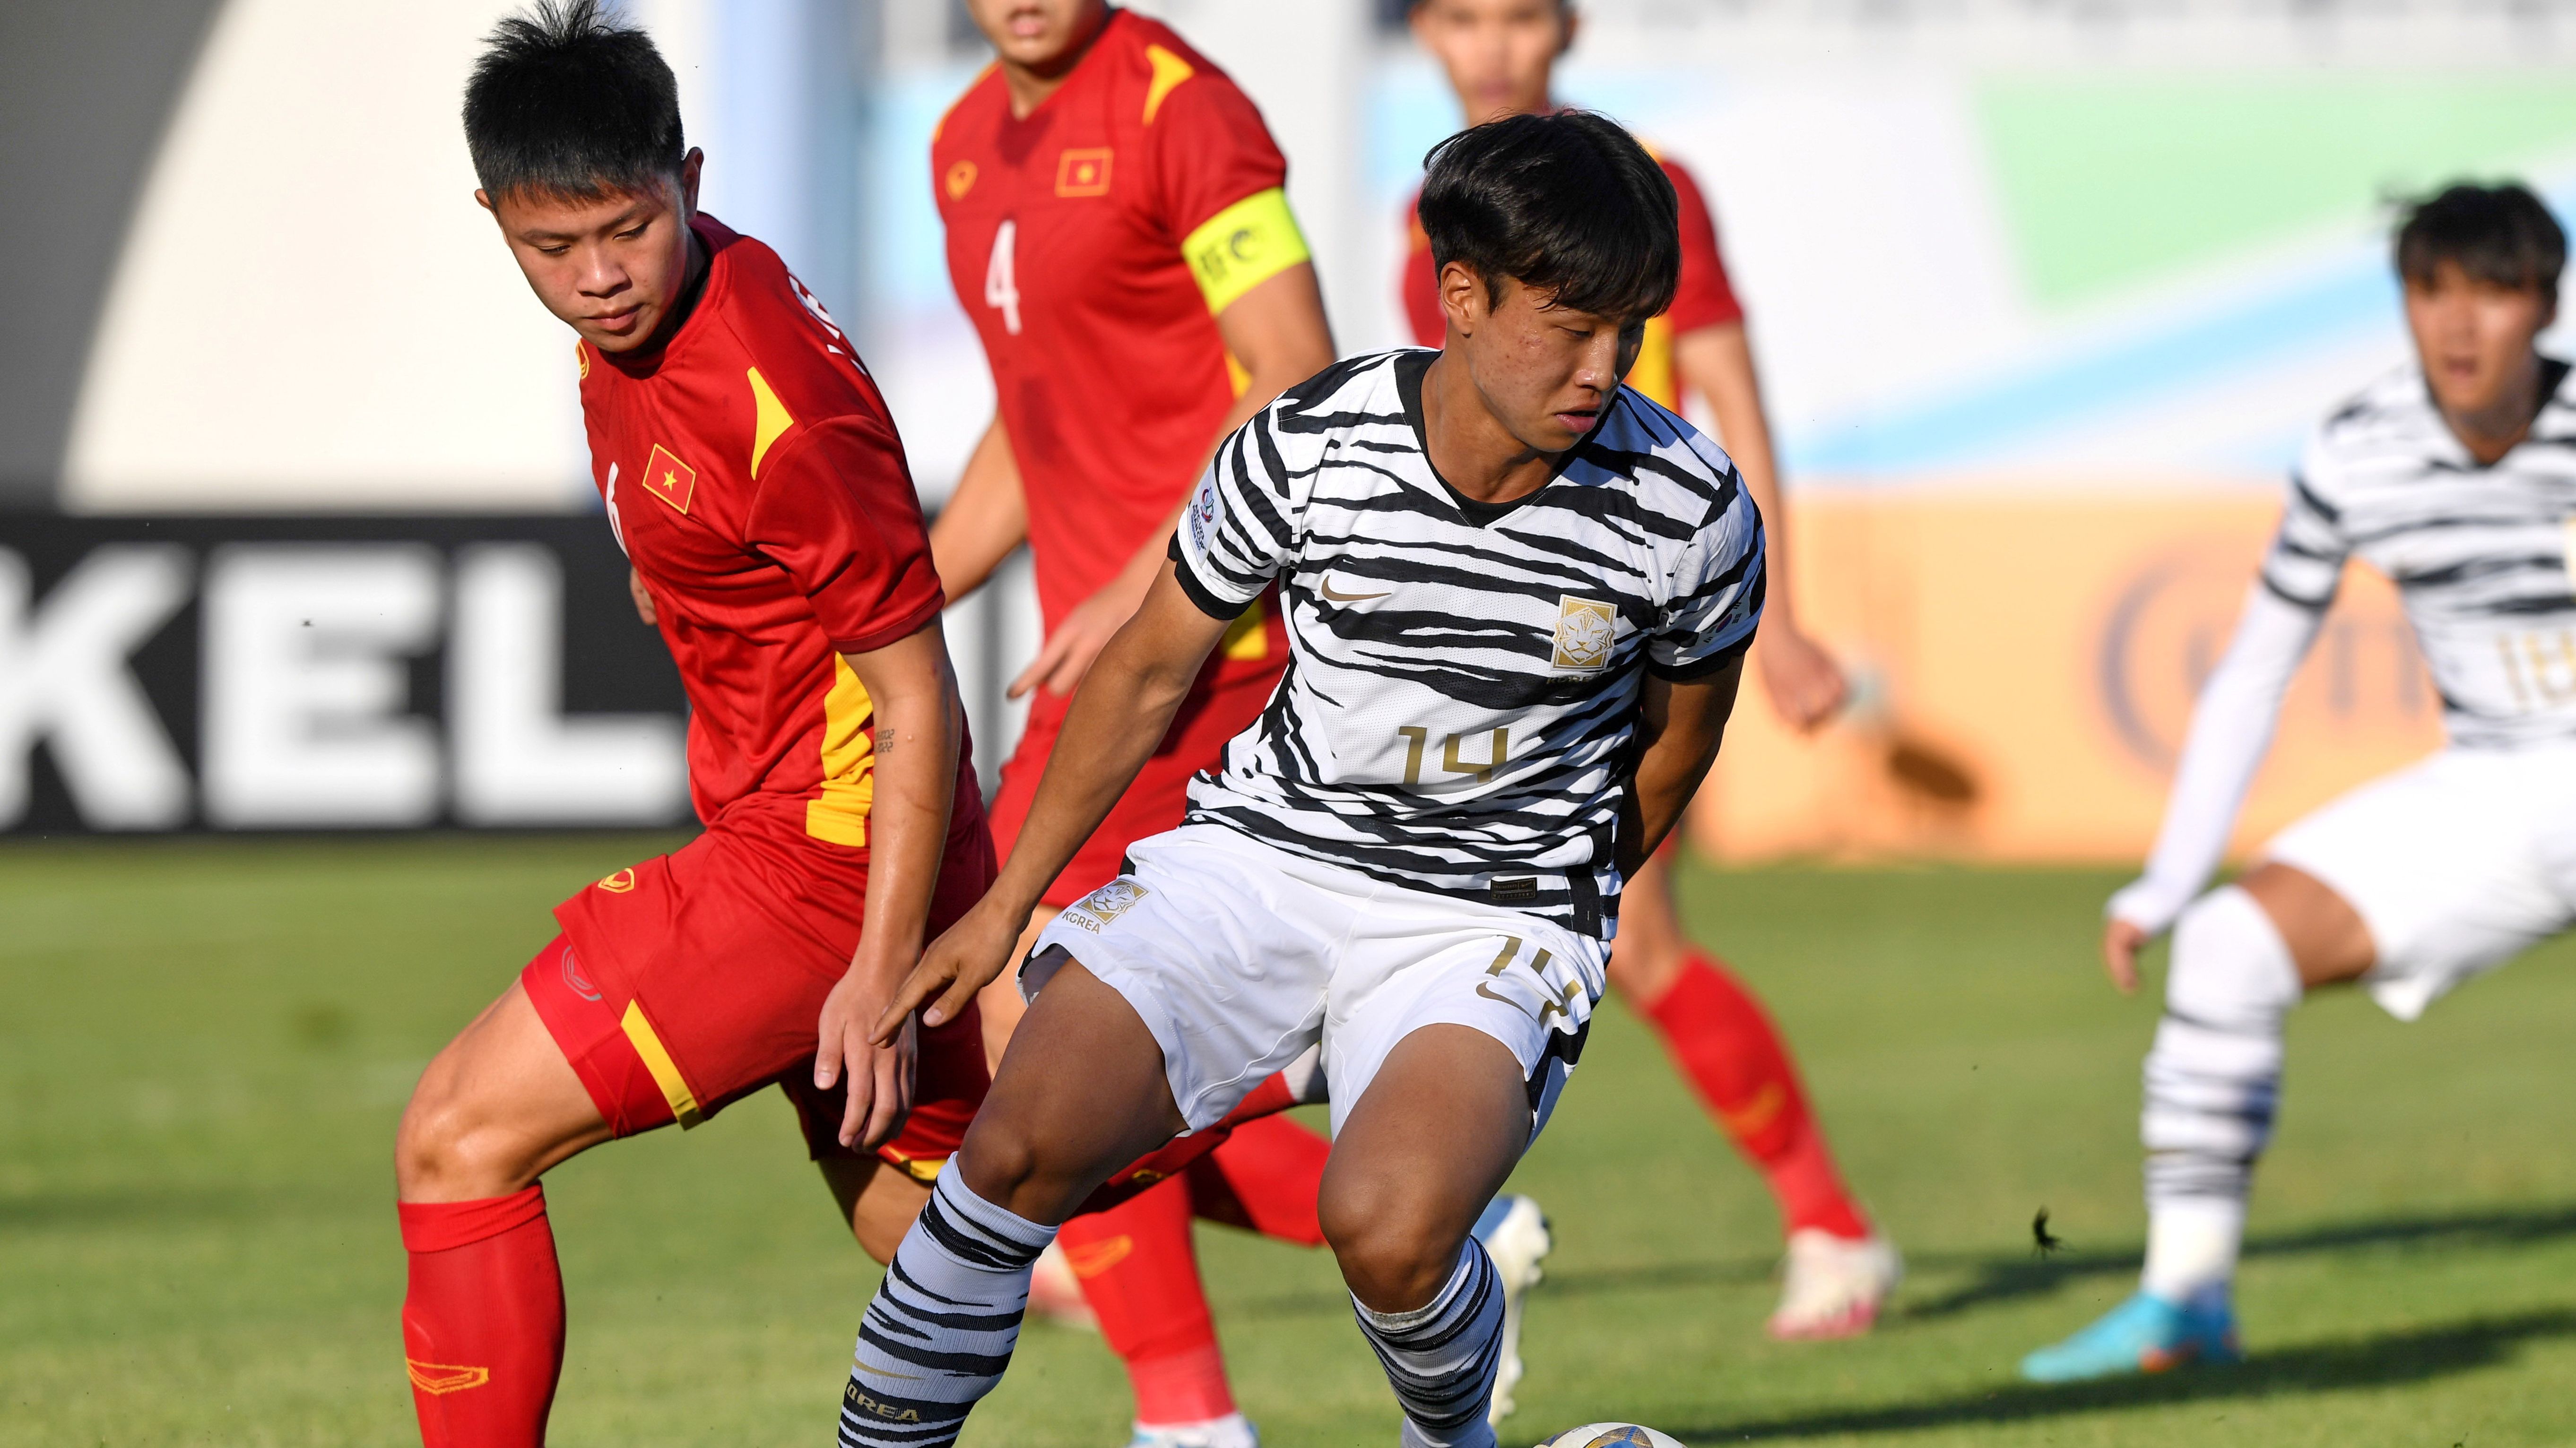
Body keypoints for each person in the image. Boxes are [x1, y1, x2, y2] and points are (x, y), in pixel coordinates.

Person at [394, 9, 1296, 1443]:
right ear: (497, 219)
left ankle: (1251, 1119)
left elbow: (916, 692)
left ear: (686, 176)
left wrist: (877, 972)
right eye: (550, 251)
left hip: (820, 854)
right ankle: (1291, 1069)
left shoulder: (777, 401)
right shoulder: (655, 316)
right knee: (925, 1219)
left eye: (627, 231)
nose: (598, 278)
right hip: (826, 832)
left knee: (455, 1137)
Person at [833, 109, 1763, 1448]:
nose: (1602, 368)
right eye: (1569, 325)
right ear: (1461, 295)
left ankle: (1452, 1439)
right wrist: (1000, 908)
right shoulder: (1307, 444)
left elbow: (1680, 741)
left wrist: (1562, 894)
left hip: (1487, 918)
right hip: (1262, 868)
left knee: (1380, 1228)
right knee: (1013, 1148)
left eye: (1628, 329)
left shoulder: (1687, 510)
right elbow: (1146, 675)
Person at [927, 4, 1550, 1441]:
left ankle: (1195, 1413)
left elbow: (1293, 370)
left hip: (1219, 643)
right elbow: (1038, 421)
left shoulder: (1180, 109)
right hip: (1105, 663)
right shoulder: (963, 146)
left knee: (1045, 1015)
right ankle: (1432, 1207)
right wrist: (878, 608)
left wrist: (1152, 572)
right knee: (1050, 1038)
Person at [2022, 181, 2576, 1382]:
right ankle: (2184, 1305)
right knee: (2227, 945)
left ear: (2543, 302)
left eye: (2492, 290)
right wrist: (2168, 877)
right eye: (2433, 291)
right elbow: (2257, 670)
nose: (2460, 323)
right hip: (2498, 787)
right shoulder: (2358, 449)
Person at [1404, 0, 1899, 1339]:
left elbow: (1736, 394)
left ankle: (1826, 1224)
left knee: (1644, 945)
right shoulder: (1436, 219)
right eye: (1462, 19)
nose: (1493, 46)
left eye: (1518, 17)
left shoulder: (1652, 190)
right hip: (1499, 637)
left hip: (1622, 622)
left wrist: (1777, 617)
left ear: (1562, 27)